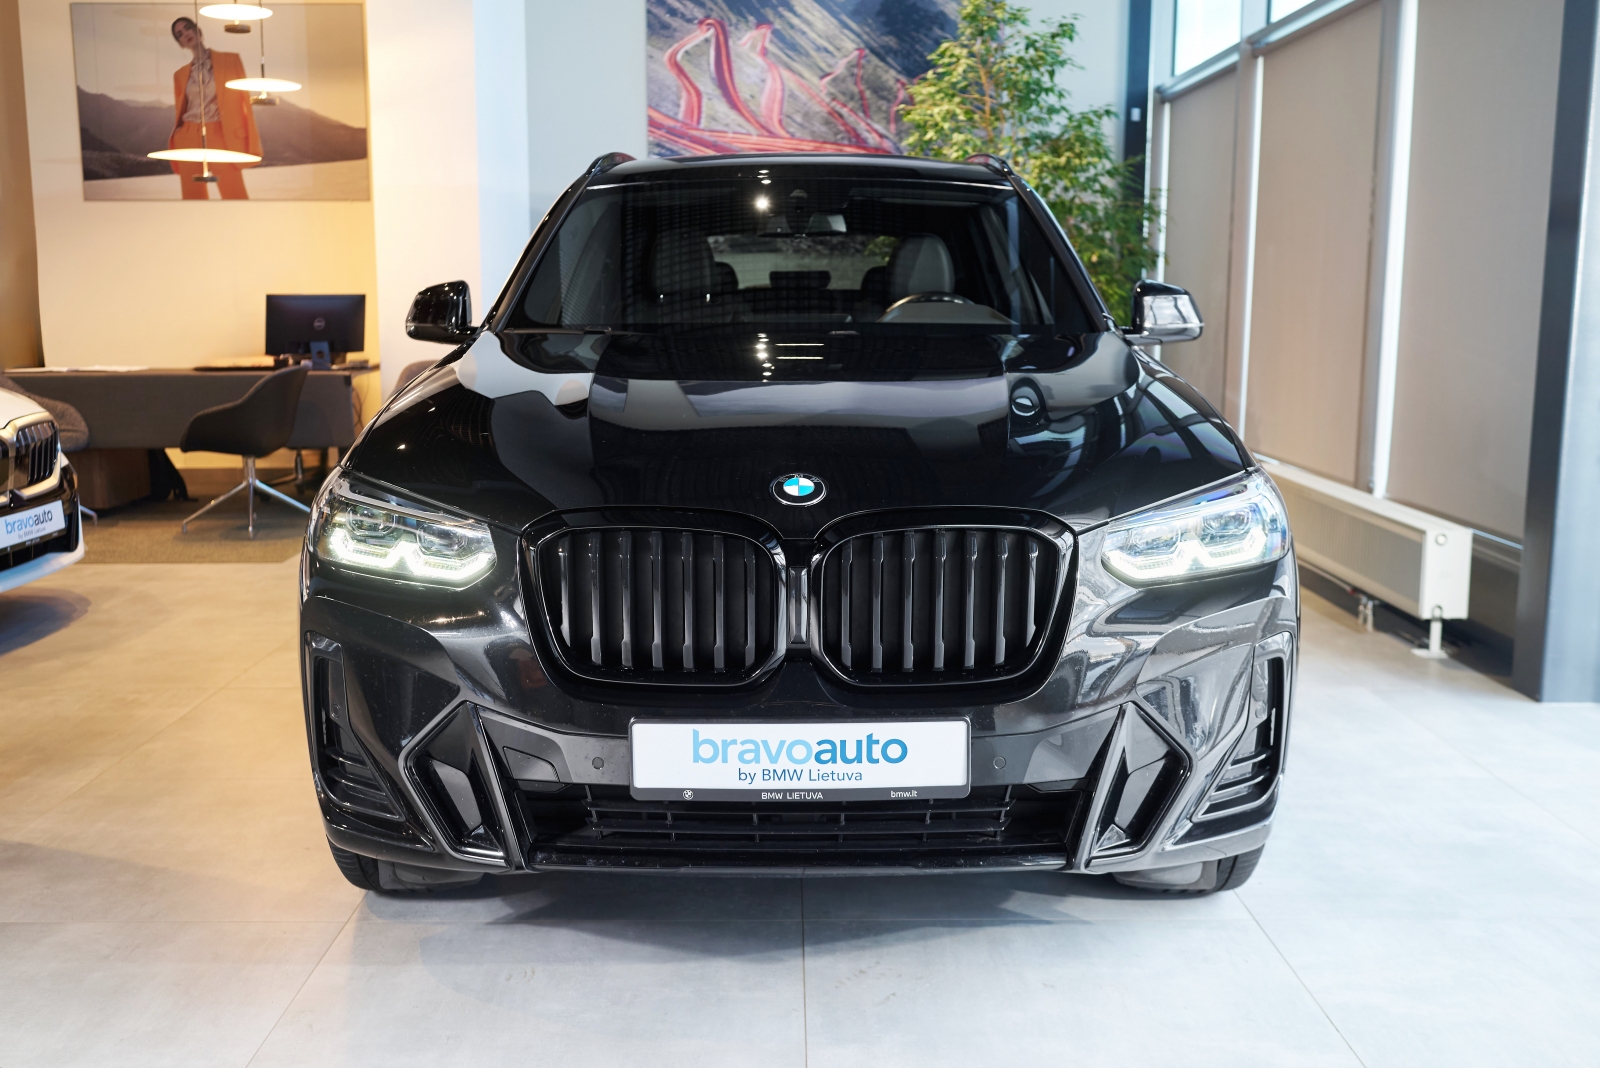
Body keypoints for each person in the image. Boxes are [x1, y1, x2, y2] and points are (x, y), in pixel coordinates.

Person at [166, 17, 261, 200]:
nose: (185, 34)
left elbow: (244, 102)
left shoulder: (230, 60)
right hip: (187, 137)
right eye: (180, 34)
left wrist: (250, 140)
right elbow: (181, 110)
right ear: (180, 44)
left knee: (235, 197)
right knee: (193, 200)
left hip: (219, 133)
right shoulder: (180, 75)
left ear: (198, 30)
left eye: (187, 28)